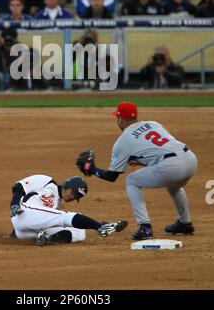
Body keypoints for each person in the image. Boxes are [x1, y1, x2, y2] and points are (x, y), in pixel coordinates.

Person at [76, 101, 198, 240]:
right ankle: (185, 223)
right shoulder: (153, 124)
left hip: (171, 166)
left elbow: (112, 176)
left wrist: (91, 169)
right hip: (190, 159)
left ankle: (145, 227)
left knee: (132, 181)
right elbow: (162, 149)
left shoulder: (123, 141)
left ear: (120, 120)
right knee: (174, 187)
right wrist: (143, 161)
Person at [10, 173, 127, 245]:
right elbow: (18, 187)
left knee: (79, 232)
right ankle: (100, 228)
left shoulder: (56, 205)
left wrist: (14, 233)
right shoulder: (47, 182)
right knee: (66, 216)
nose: (73, 197)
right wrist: (14, 205)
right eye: (73, 193)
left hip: (26, 231)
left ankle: (48, 239)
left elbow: (42, 218)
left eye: (76, 197)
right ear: (68, 186)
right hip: (25, 211)